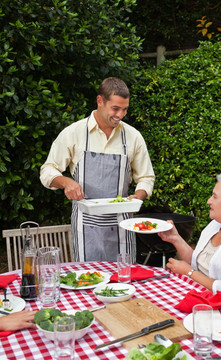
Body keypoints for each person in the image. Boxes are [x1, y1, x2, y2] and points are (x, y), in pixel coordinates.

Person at [40, 77, 155, 263]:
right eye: (115, 108)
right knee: (87, 281)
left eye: (124, 109)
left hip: (122, 226)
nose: (121, 115)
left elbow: (146, 177)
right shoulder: (74, 133)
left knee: (123, 283)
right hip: (85, 227)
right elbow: (47, 171)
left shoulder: (133, 137)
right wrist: (65, 182)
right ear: (100, 101)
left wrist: (138, 196)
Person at [158, 171, 221, 317]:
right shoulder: (215, 225)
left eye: (215, 196)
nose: (208, 201)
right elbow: (198, 263)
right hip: (204, 303)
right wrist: (175, 238)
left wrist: (189, 272)